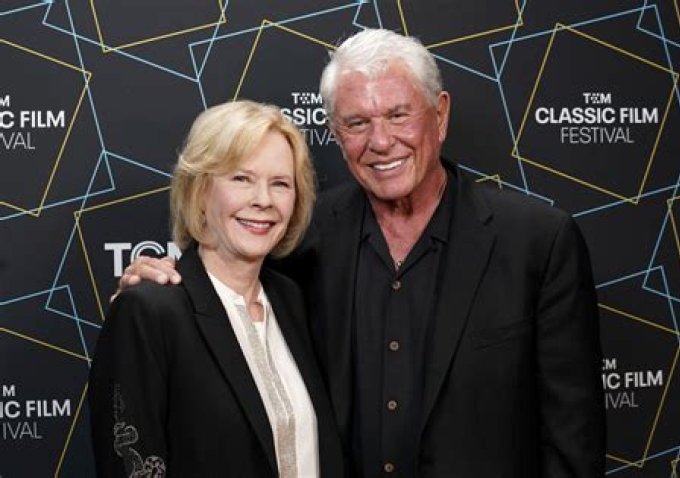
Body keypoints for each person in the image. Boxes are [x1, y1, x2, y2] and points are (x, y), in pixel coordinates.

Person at [118, 29, 606, 477]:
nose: (381, 141)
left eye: (398, 115)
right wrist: (156, 286)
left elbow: (572, 443)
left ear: (440, 115)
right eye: (357, 122)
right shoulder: (300, 244)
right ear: (335, 131)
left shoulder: (537, 243)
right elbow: (220, 295)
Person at [89, 100, 345, 477]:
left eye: (280, 183)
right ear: (200, 190)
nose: (263, 200)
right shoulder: (149, 311)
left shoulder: (292, 300)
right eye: (241, 179)